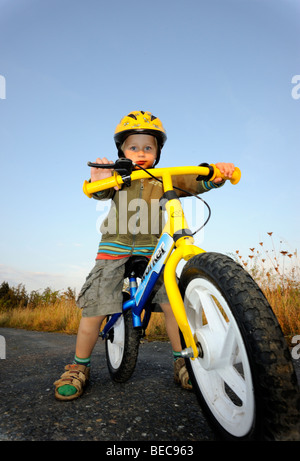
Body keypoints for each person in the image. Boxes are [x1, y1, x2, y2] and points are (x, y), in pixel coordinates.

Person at [54, 110, 235, 400]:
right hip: (115, 248)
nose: (140, 153)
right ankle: (79, 366)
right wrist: (101, 178)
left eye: (148, 147)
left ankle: (183, 361)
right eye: (133, 147)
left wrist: (216, 174)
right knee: (97, 307)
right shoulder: (119, 177)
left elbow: (194, 181)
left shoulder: (163, 179)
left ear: (157, 153)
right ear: (122, 152)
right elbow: (98, 192)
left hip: (154, 251)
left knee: (173, 304)